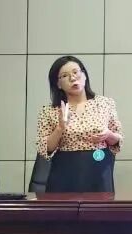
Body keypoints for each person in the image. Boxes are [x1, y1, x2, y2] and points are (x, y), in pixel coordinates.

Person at [35, 55, 124, 192]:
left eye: (75, 72)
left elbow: (118, 139)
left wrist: (108, 135)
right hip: (64, 172)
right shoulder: (49, 111)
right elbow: (46, 149)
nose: (72, 78)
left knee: (100, 205)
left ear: (84, 75)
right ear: (58, 84)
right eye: (65, 75)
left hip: (98, 168)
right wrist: (60, 128)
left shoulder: (105, 103)